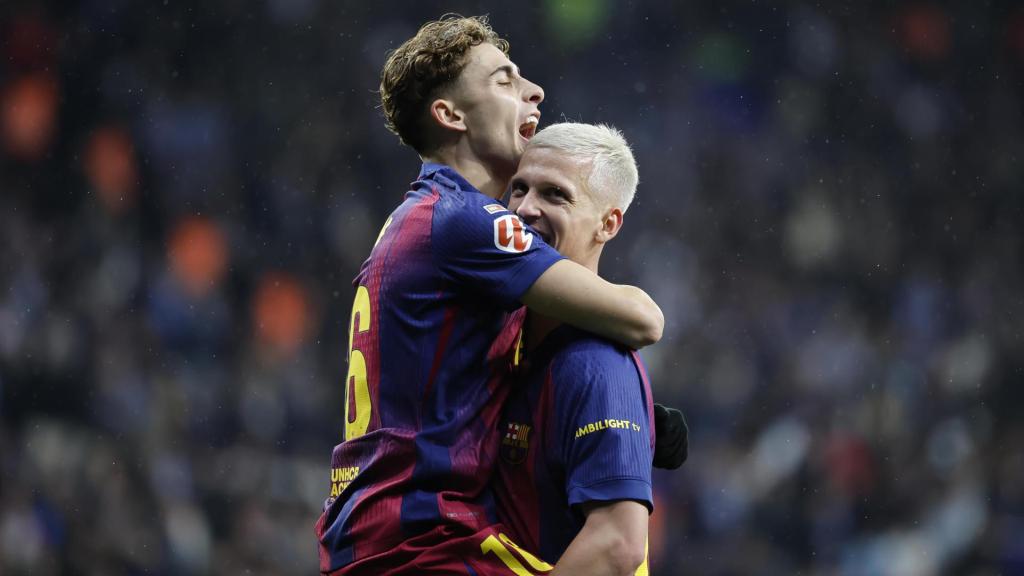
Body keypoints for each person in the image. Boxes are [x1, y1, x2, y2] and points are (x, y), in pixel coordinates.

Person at [315, 15, 665, 575]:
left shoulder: (414, 220)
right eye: (504, 80)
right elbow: (643, 320)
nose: (534, 91)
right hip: (425, 543)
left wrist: (627, 422)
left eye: (553, 193)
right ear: (451, 115)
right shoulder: (466, 220)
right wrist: (621, 389)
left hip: (373, 533)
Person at [493, 123, 669, 576]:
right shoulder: (506, 332)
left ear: (608, 224)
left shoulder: (596, 365)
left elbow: (617, 544)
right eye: (519, 188)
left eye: (555, 194)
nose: (525, 208)